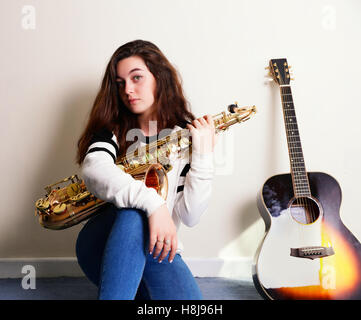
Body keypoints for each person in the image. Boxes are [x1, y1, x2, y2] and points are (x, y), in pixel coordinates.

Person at [75, 39, 216, 300]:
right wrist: (153, 204)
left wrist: (204, 155)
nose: (128, 89)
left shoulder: (184, 136)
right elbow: (95, 169)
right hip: (101, 245)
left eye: (136, 77)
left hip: (157, 249)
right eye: (120, 83)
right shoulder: (111, 131)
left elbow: (190, 216)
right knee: (134, 213)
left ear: (159, 78)